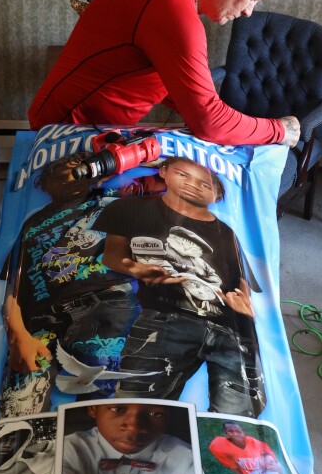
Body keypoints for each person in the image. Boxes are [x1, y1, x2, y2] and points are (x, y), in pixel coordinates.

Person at [28, 0, 302, 148]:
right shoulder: (176, 13)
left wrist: (210, 109)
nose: (248, 12)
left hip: (90, 127)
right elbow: (208, 121)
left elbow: (178, 87)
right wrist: (279, 130)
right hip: (66, 132)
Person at [99, 157, 265, 416]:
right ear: (163, 171)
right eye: (183, 174)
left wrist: (246, 314)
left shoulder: (227, 232)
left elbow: (243, 288)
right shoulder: (128, 208)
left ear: (217, 195)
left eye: (205, 184)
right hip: (167, 322)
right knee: (136, 408)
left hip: (228, 329)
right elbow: (111, 255)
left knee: (237, 418)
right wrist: (136, 268)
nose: (193, 185)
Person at [0, 156, 141, 416]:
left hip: (104, 303)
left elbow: (167, 172)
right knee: (16, 408)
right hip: (41, 319)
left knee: (98, 408)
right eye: (60, 176)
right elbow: (13, 291)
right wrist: (17, 335)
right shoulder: (31, 225)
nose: (70, 178)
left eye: (77, 171)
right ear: (47, 185)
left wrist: (116, 162)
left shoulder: (115, 198)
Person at [59, 403, 198, 474]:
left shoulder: (186, 457)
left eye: (155, 413)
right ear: (93, 409)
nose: (134, 426)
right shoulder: (68, 450)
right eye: (118, 409)